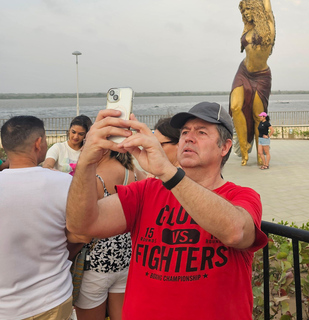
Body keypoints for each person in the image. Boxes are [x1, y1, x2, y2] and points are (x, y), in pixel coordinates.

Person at [66, 102, 268, 319]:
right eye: (184, 132)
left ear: (225, 147)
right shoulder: (145, 192)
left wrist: (167, 171)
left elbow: (235, 231)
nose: (189, 138)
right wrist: (87, 160)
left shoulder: (242, 196)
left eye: (201, 132)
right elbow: (81, 225)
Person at [0, 116, 89, 320]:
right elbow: (83, 235)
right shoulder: (65, 183)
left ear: (5, 146)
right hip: (52, 298)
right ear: (39, 143)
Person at [75, 151, 144, 320]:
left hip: (96, 266)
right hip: (125, 262)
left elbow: (80, 227)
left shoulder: (94, 176)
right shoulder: (134, 173)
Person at [229, 0, 275, 166]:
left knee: (258, 117)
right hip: (243, 72)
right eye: (244, 10)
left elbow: (268, 10)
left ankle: (260, 155)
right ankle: (243, 151)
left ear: (257, 9)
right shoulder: (247, 28)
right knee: (235, 107)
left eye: (249, 9)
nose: (246, 13)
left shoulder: (268, 28)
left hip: (261, 76)